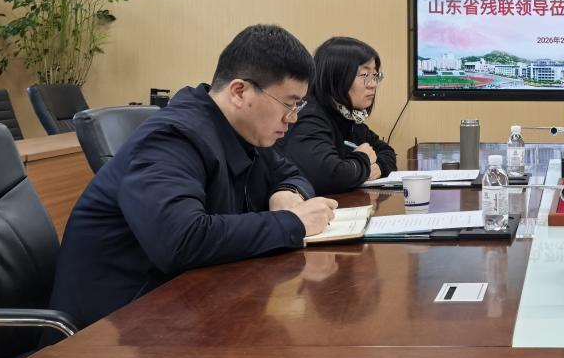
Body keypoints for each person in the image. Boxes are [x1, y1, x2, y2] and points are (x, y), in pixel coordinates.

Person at [49, 24, 337, 329]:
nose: (292, 118)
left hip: (181, 311)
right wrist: (292, 223)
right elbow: (180, 240)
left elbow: (291, 173)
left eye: (298, 106)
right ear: (239, 92)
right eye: (288, 104)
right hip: (113, 330)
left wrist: (287, 192)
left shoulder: (244, 130)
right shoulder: (172, 138)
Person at [281, 36, 398, 194]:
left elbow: (387, 151)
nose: (373, 84)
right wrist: (363, 160)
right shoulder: (309, 117)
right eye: (365, 75)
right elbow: (329, 176)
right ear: (336, 77)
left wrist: (379, 167)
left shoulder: (348, 117)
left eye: (375, 76)